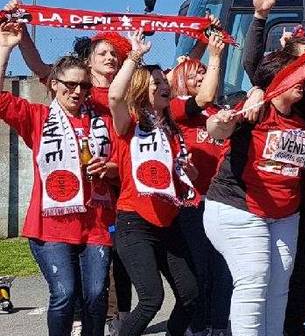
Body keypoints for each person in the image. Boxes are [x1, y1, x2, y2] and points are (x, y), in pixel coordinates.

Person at [0, 23, 116, 336]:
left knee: (95, 297)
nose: (78, 91)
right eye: (70, 84)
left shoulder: (103, 120)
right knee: (64, 295)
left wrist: (112, 168)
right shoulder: (38, 118)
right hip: (50, 225)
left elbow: (124, 162)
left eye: (84, 86)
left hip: (96, 223)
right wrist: (6, 47)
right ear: (54, 85)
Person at [202, 53, 305, 336]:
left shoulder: (303, 116)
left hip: (285, 215)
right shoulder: (257, 109)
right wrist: (224, 118)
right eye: (294, 75)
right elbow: (218, 128)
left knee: (278, 288)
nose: (303, 79)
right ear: (276, 79)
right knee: (253, 280)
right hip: (240, 208)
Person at [105, 34, 200, 336]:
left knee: (191, 295)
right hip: (135, 221)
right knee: (151, 299)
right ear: (141, 89)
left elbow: (182, 176)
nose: (163, 86)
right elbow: (114, 97)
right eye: (155, 82)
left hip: (169, 221)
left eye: (164, 82)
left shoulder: (171, 128)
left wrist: (189, 173)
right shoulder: (129, 124)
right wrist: (134, 57)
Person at [167, 43, 234, 336]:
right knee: (200, 271)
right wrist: (214, 53)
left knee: (223, 271)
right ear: (181, 79)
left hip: (221, 202)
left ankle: (219, 326)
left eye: (205, 72)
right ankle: (198, 327)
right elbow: (202, 94)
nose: (203, 76)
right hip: (191, 205)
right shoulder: (177, 108)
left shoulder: (218, 113)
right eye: (196, 73)